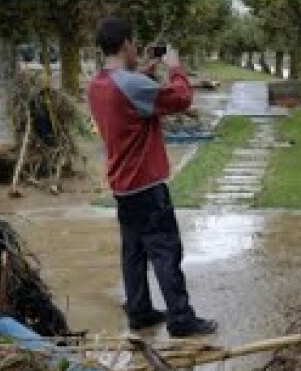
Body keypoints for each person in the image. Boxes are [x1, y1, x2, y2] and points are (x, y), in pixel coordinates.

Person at [88, 17, 217, 337]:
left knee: (133, 252)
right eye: (134, 43)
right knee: (165, 250)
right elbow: (180, 98)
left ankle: (140, 310)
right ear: (126, 43)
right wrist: (175, 68)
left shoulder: (97, 84)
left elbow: (126, 97)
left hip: (122, 185)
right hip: (146, 184)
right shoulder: (132, 85)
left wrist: (144, 72)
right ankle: (181, 319)